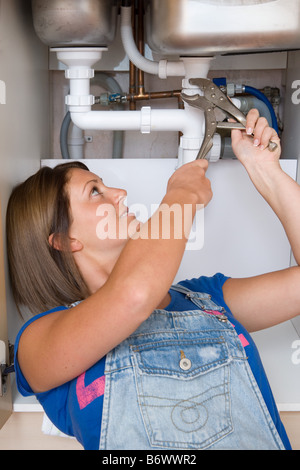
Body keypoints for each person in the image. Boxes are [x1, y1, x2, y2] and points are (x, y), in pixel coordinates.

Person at [6, 109, 300, 450]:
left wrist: (267, 171)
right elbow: (133, 298)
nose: (120, 193)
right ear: (63, 239)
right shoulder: (39, 341)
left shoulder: (206, 298)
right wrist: (181, 196)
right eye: (96, 192)